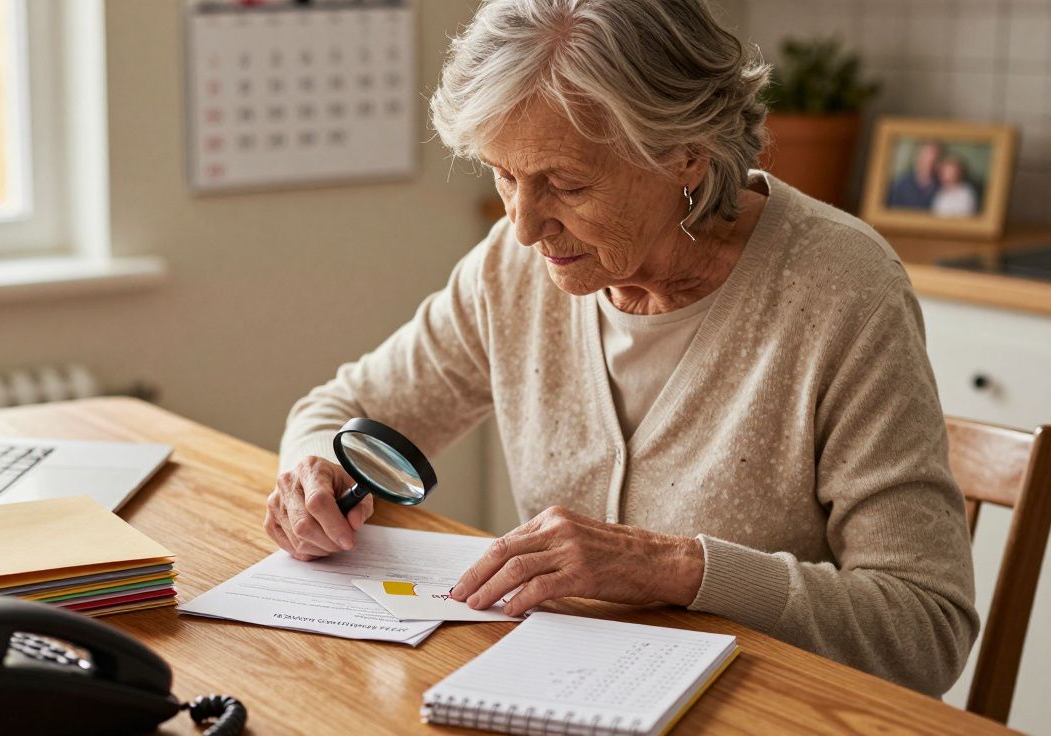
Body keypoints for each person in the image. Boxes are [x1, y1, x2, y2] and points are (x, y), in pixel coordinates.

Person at [265, 0, 977, 696]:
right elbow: (344, 407)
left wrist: (678, 568)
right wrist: (315, 472)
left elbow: (926, 628)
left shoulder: (842, 289)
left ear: (687, 157)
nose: (524, 227)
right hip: (551, 698)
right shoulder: (513, 271)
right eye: (505, 175)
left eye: (567, 184)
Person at [887, 140, 942, 209]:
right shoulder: (900, 186)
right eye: (925, 159)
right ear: (918, 158)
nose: (929, 165)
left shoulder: (942, 186)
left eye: (933, 160)